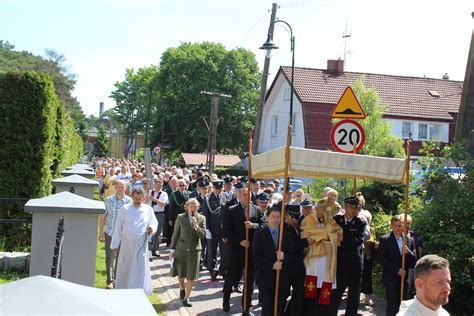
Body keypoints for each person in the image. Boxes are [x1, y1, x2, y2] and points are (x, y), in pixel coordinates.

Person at [222, 183, 265, 314]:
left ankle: (246, 306)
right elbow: (226, 231)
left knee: (250, 279)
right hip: (236, 250)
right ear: (239, 196)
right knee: (232, 277)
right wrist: (239, 241)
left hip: (251, 250)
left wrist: (253, 225)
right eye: (244, 195)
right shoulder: (231, 210)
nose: (247, 197)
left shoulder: (256, 209)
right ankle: (226, 298)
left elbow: (263, 225)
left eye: (249, 194)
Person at [110, 188, 158, 296]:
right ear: (132, 197)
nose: (137, 200)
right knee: (125, 267)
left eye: (139, 199)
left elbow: (154, 223)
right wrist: (115, 244)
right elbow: (118, 227)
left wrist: (151, 228)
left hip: (141, 242)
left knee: (139, 267)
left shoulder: (148, 209)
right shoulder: (125, 209)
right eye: (135, 198)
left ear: (144, 198)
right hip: (127, 243)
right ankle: (123, 289)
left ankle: (139, 291)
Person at [300, 198, 342, 315]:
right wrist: (326, 234)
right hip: (312, 259)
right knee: (310, 291)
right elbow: (306, 235)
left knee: (325, 292)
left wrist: (321, 235)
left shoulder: (332, 222)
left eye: (325, 210)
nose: (322, 212)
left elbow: (339, 236)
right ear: (316, 209)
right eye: (321, 209)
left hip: (327, 261)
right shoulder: (308, 220)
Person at [253, 206, 293, 316]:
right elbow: (257, 257)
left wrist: (284, 256)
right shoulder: (259, 235)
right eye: (273, 216)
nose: (275, 219)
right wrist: (272, 265)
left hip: (282, 279)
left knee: (280, 307)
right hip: (266, 278)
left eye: (278, 217)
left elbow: (292, 255)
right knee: (268, 308)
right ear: (267, 218)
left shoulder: (286, 235)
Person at [331, 196, 367, 316]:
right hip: (340, 261)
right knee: (337, 292)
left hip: (354, 262)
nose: (352, 210)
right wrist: (345, 240)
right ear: (345, 207)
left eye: (355, 208)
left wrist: (343, 239)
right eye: (350, 207)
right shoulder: (336, 219)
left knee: (354, 293)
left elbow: (357, 241)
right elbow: (332, 237)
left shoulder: (360, 222)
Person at [170, 198, 207, 307]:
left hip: (194, 251)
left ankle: (186, 298)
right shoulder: (180, 217)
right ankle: (182, 287)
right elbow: (175, 234)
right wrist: (172, 249)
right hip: (181, 249)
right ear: (187, 207)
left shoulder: (202, 218)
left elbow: (203, 235)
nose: (193, 209)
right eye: (191, 206)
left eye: (195, 207)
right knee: (181, 274)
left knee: (191, 276)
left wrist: (196, 226)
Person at [378, 215, 417, 316]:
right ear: (392, 226)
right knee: (392, 305)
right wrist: (397, 270)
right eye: (395, 226)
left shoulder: (409, 240)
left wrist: (408, 252)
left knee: (402, 305)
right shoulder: (385, 239)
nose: (398, 228)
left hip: (404, 279)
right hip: (390, 278)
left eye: (400, 225)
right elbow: (382, 260)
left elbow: (414, 261)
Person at [99, 180, 132, 289]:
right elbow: (103, 216)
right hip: (110, 232)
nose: (120, 189)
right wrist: (101, 232)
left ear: (125, 188)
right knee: (110, 258)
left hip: (123, 235)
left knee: (121, 258)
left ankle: (118, 280)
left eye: (122, 187)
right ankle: (110, 280)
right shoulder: (108, 200)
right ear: (115, 188)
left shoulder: (129, 202)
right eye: (118, 187)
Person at [283, 199, 313, 316]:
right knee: (283, 296)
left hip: (299, 267)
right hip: (287, 267)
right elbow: (291, 245)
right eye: (292, 217)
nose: (295, 219)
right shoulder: (283, 228)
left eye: (296, 217)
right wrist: (306, 242)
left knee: (298, 295)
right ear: (286, 216)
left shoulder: (296, 225)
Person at [202, 179, 229, 281]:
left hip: (223, 231)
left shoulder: (225, 196)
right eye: (217, 188)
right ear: (213, 188)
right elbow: (205, 214)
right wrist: (207, 229)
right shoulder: (208, 198)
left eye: (220, 188)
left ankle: (223, 270)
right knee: (211, 252)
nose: (219, 190)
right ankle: (212, 271)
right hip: (212, 230)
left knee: (224, 252)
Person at [147, 178, 169, 257]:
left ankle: (155, 250)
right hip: (150, 214)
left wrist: (154, 199)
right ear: (154, 184)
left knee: (157, 233)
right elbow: (146, 201)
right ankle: (148, 249)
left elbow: (163, 204)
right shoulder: (150, 192)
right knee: (149, 231)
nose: (159, 186)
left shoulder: (164, 194)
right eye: (157, 185)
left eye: (160, 185)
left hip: (160, 214)